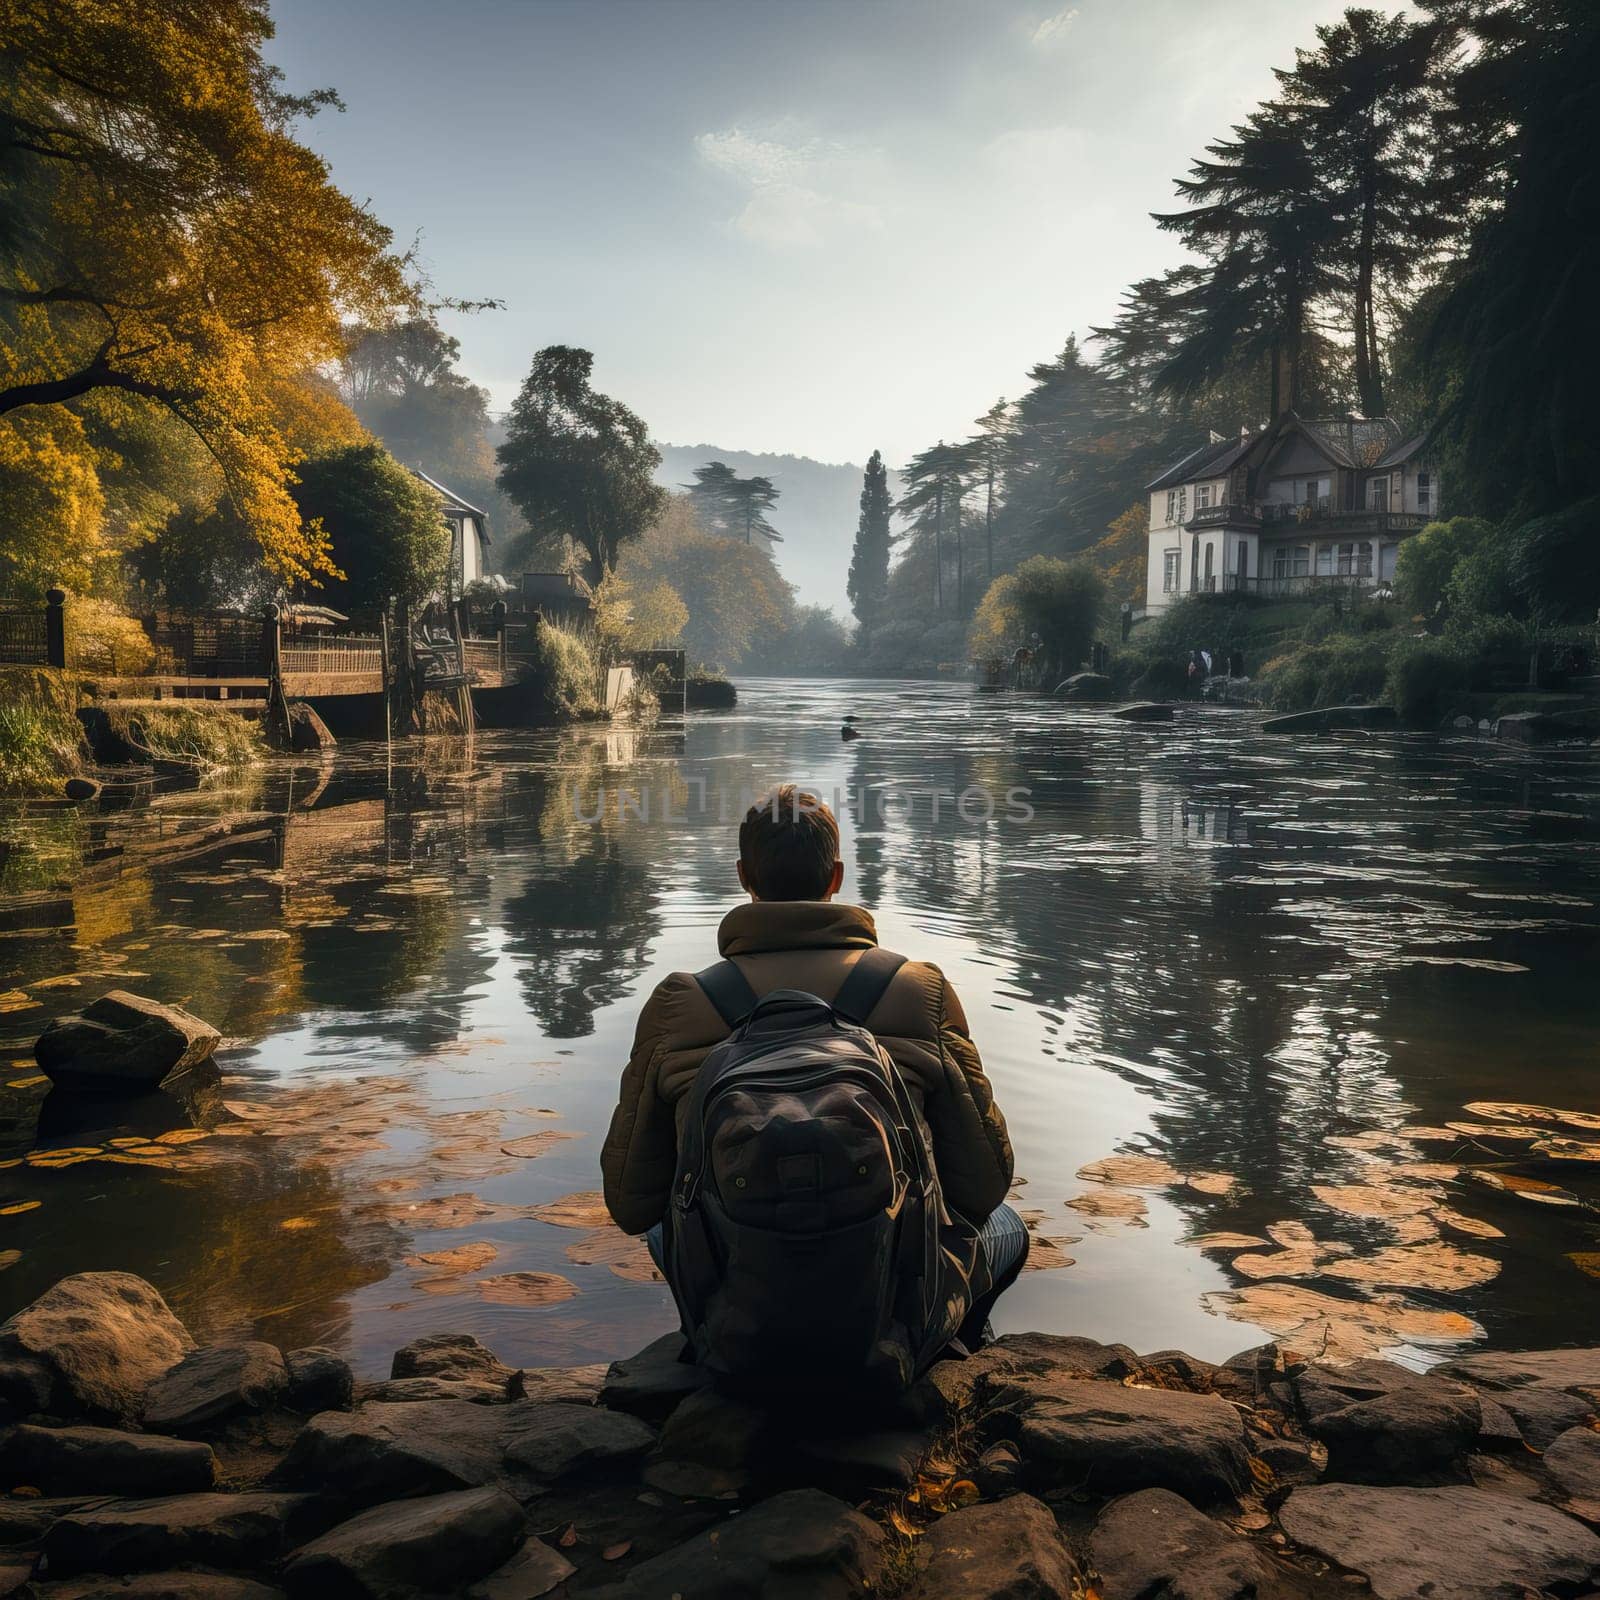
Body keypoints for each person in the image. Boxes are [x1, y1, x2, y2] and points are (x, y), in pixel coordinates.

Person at [601, 784, 1023, 1387]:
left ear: (744, 874)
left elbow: (630, 1203)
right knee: (1007, 1226)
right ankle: (935, 1354)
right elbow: (982, 1189)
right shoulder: (917, 989)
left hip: (737, 1331)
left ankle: (734, 1336)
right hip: (889, 1308)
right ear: (837, 876)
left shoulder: (681, 1003)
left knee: (670, 1220)